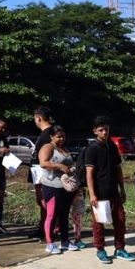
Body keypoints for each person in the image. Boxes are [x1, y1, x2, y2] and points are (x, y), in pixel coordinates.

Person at [84, 115, 135, 264]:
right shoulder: (91, 149)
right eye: (101, 130)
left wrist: (123, 189)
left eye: (106, 129)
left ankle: (120, 248)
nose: (104, 133)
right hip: (99, 193)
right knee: (99, 223)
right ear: (95, 131)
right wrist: (92, 194)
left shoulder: (112, 146)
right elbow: (89, 173)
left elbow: (117, 168)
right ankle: (100, 250)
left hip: (114, 191)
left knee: (120, 221)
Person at [39, 125, 78, 254]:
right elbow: (43, 163)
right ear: (51, 137)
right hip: (52, 187)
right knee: (51, 214)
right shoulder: (48, 147)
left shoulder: (63, 148)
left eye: (63, 136)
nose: (61, 139)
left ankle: (65, 241)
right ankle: (50, 243)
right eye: (58, 137)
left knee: (64, 214)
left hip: (65, 187)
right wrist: (59, 166)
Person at [29, 106, 54, 240]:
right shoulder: (44, 133)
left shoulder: (49, 133)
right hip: (37, 172)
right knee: (41, 201)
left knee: (46, 201)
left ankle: (50, 228)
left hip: (43, 173)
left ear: (38, 118)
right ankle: (42, 226)